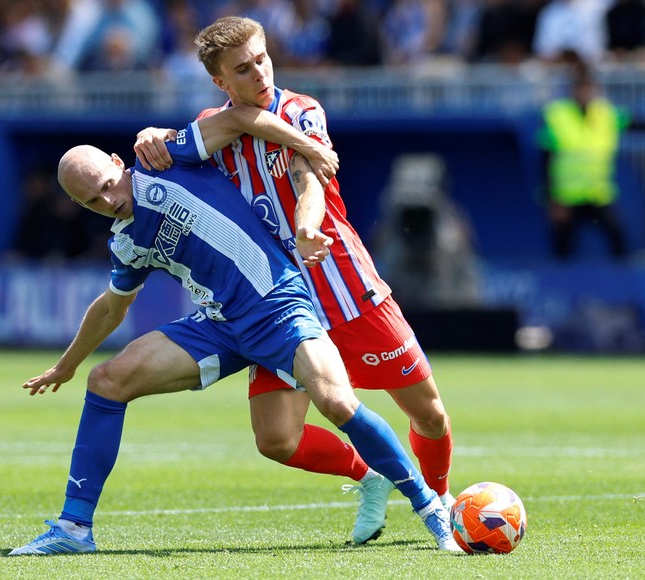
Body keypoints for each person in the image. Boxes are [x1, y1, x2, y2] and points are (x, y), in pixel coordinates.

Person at [9, 133, 460, 555]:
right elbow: (111, 308)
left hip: (277, 305)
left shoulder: (165, 161)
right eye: (91, 201)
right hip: (220, 324)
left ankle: (430, 507)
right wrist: (66, 366)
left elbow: (240, 119)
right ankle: (74, 528)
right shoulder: (127, 242)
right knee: (107, 380)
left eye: (108, 186)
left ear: (117, 163)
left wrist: (303, 144)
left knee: (337, 403)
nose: (109, 201)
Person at [134, 16, 457, 546]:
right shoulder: (215, 126)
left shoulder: (302, 110)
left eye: (262, 58)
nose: (259, 72)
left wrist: (308, 228)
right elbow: (182, 146)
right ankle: (369, 475)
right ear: (220, 81)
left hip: (345, 286)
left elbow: (309, 176)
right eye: (242, 68)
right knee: (276, 440)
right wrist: (156, 136)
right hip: (280, 300)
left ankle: (439, 497)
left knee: (429, 414)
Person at [538, 59, 629, 259]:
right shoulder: (557, 116)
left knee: (618, 237)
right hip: (567, 197)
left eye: (589, 88)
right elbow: (545, 160)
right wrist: (552, 199)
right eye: (581, 88)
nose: (585, 93)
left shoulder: (606, 114)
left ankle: (623, 286)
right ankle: (559, 288)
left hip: (598, 194)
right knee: (562, 248)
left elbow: (634, 122)